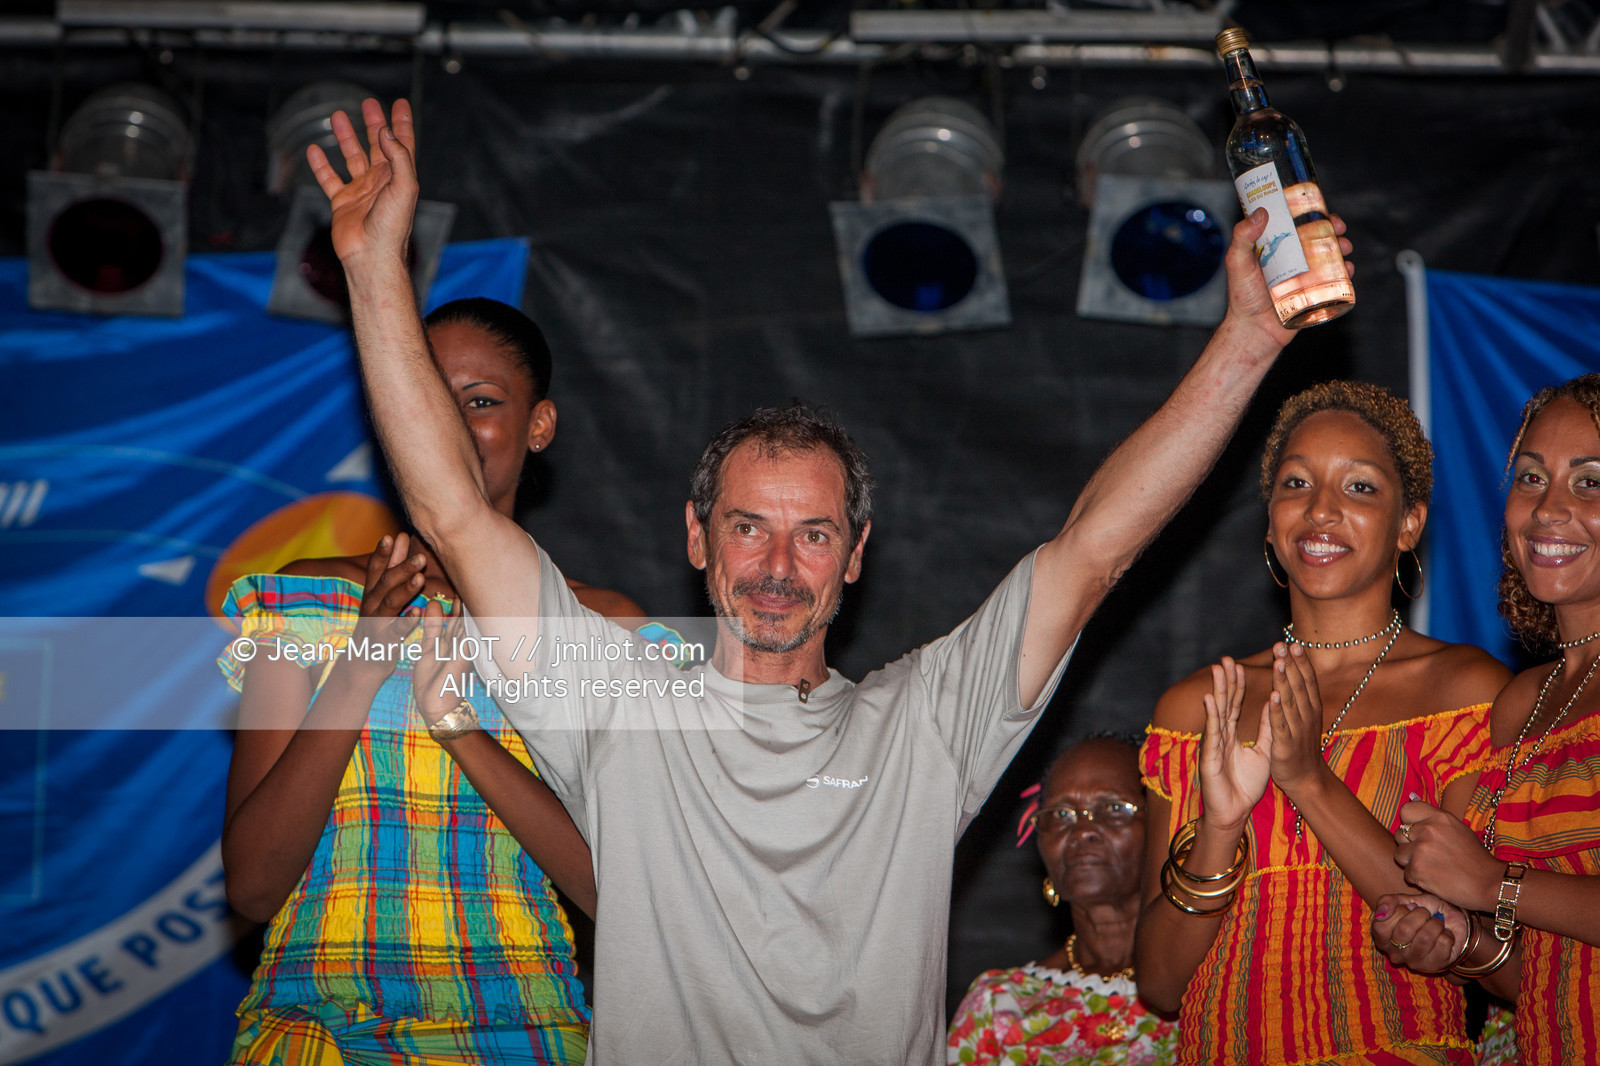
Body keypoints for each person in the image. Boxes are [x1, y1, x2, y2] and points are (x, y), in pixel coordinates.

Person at [307, 96, 1347, 1064]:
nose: (774, 565)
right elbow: (448, 506)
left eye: (812, 535)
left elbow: (1094, 546)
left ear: (854, 555)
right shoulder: (615, 701)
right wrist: (371, 266)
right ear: (697, 541)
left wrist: (1250, 340)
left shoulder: (925, 720)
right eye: (747, 527)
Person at [218, 298, 643, 1064]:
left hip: (521, 1031)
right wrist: (361, 666)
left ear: (539, 426)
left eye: (480, 403)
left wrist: (463, 731)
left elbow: (623, 902)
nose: (448, 428)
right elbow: (250, 888)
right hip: (322, 1029)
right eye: (428, 403)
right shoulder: (305, 601)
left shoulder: (601, 627)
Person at [1135, 381, 1511, 1065]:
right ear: (1271, 518)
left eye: (1360, 488)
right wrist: (1220, 829)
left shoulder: (1466, 692)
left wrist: (1309, 780)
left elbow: (1498, 952)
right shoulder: (1200, 707)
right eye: (1296, 483)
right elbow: (1160, 984)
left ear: (1409, 523)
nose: (1321, 510)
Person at [1373, 373, 1600, 1066]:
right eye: (1531, 478)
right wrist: (1461, 941)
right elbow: (1539, 969)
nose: (1548, 508)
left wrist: (1493, 884)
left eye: (1590, 483)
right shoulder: (1522, 702)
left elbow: (1503, 888)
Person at [947, 735, 1178, 1065]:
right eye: (1061, 814)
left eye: (1114, 809)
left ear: (1164, 828)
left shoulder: (1216, 986)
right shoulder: (999, 1006)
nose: (1082, 830)